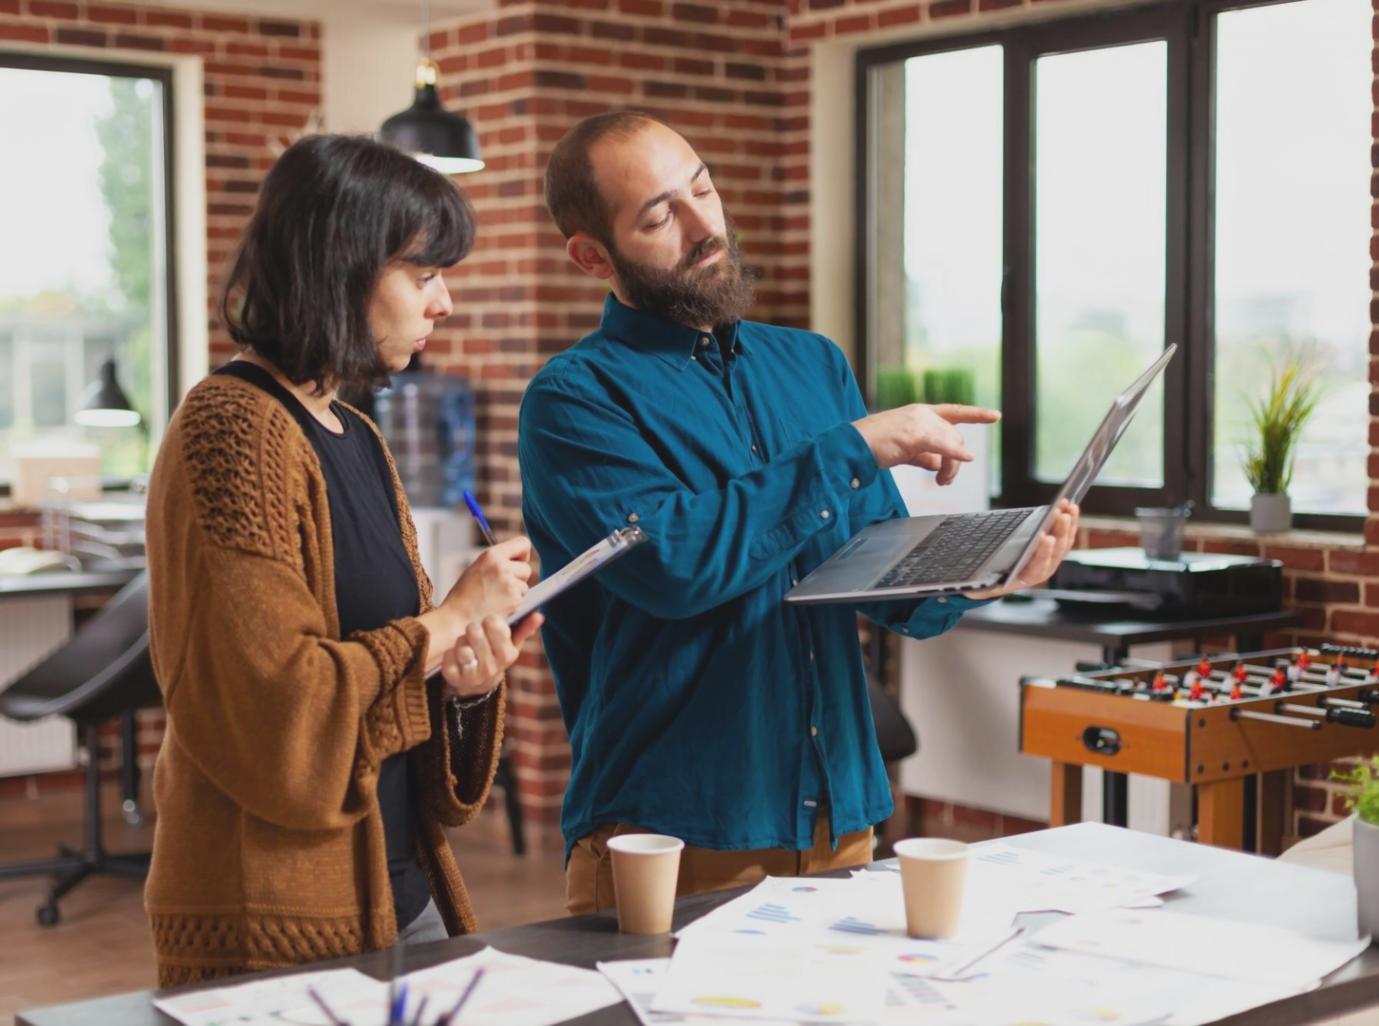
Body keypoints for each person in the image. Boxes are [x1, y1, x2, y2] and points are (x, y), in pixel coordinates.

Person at [517, 111, 1079, 914]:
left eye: (702, 188)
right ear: (589, 255)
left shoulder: (812, 364)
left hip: (841, 822)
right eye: (658, 215)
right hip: (670, 835)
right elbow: (673, 565)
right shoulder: (573, 399)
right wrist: (852, 448)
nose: (702, 224)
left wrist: (987, 571)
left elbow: (875, 567)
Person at [144, 134, 543, 984]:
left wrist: (462, 679)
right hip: (276, 910)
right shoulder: (232, 428)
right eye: (423, 274)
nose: (444, 303)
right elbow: (274, 706)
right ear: (341, 266)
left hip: (396, 886)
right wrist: (446, 619)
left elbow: (383, 681)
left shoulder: (355, 433)